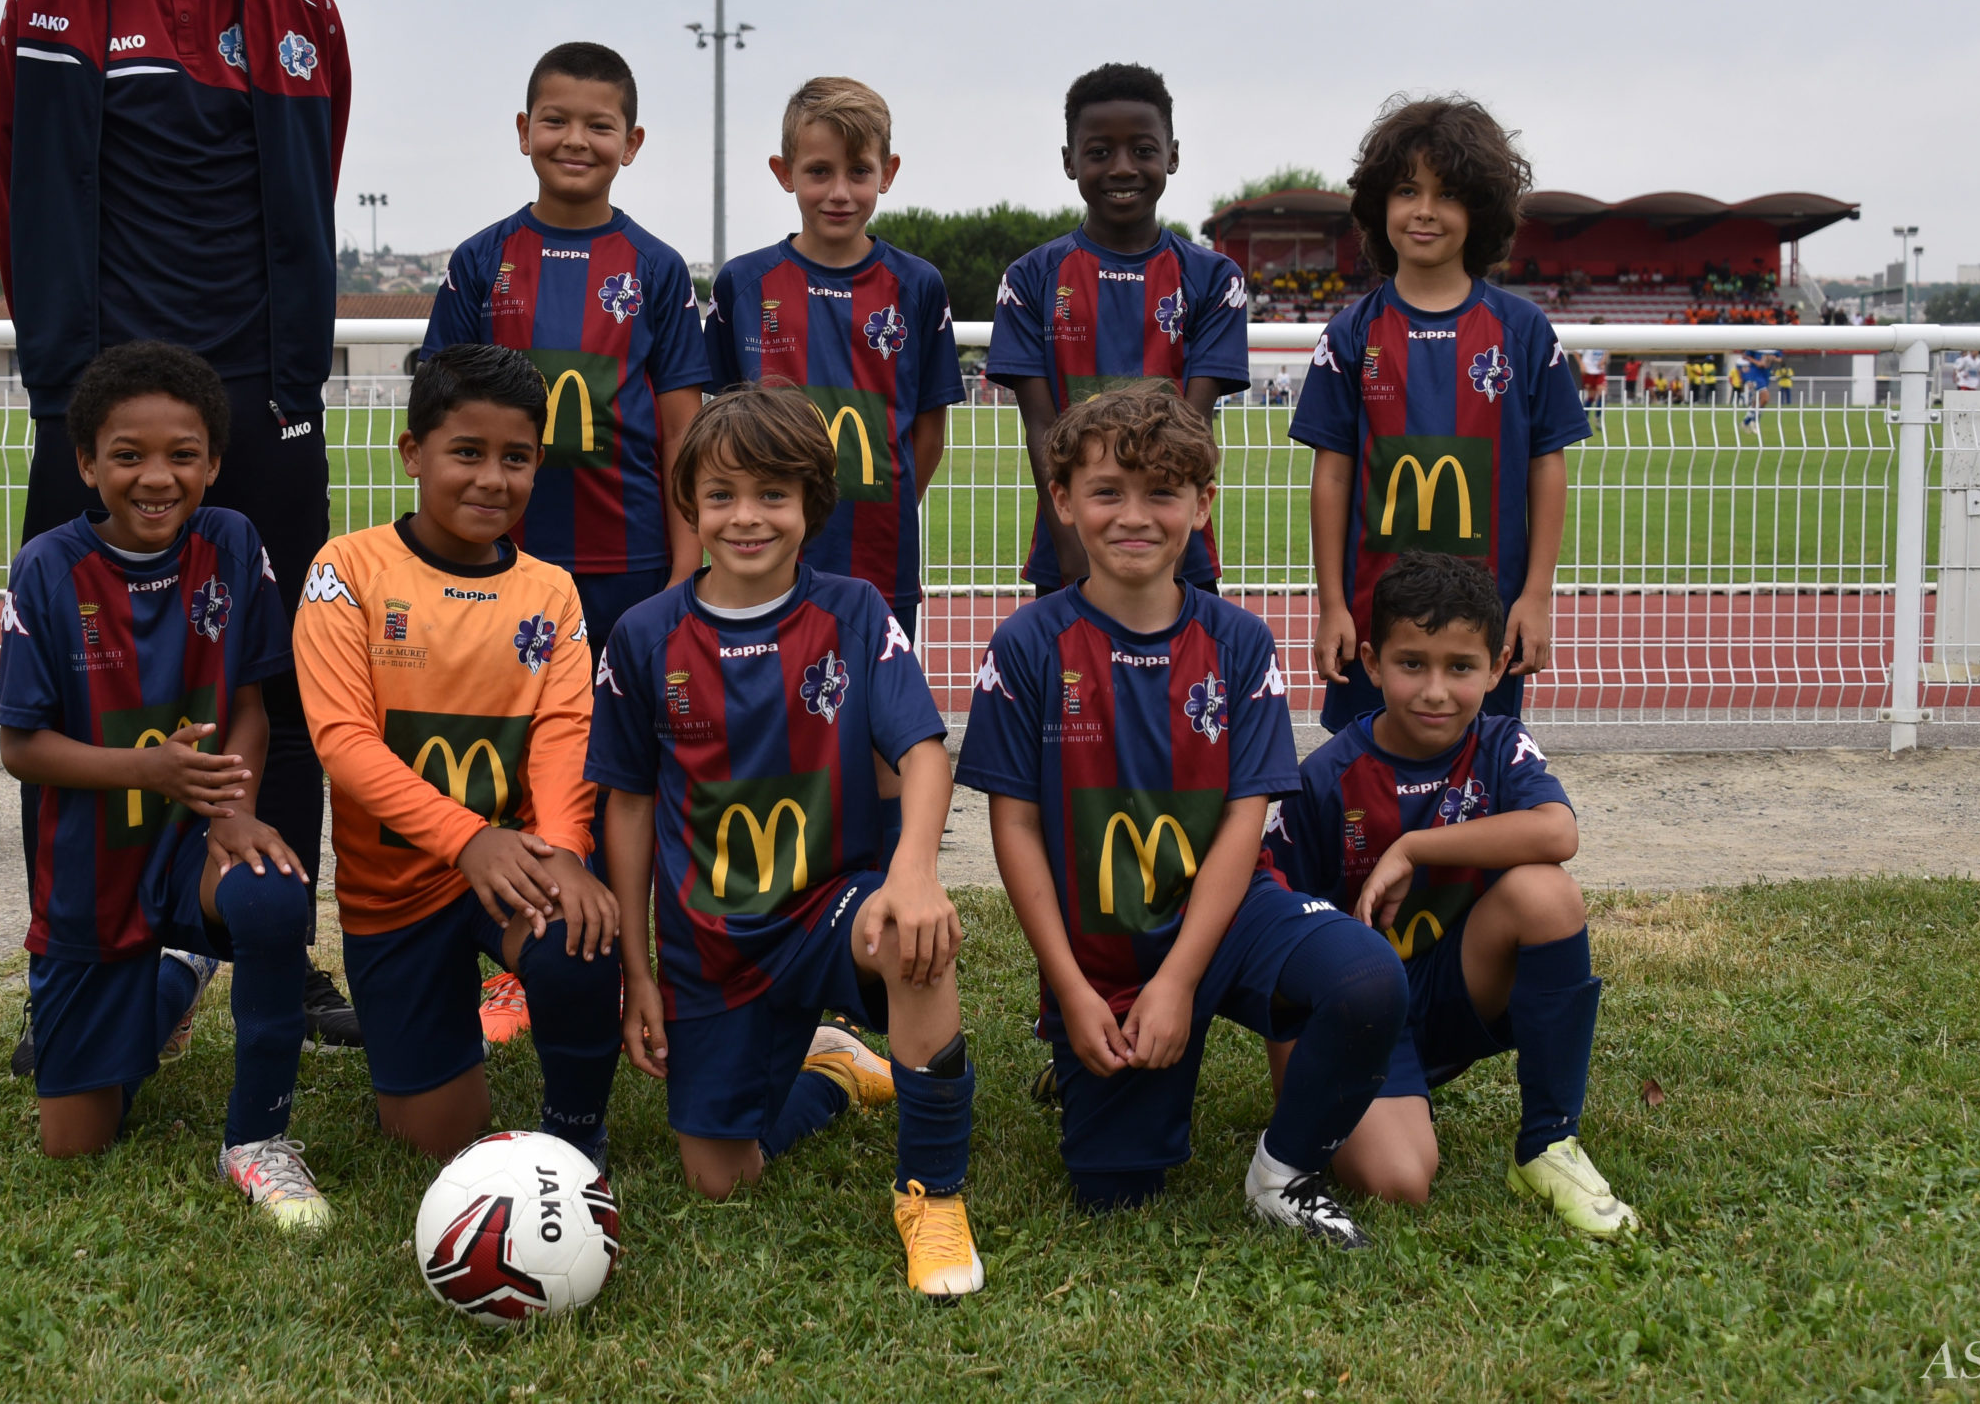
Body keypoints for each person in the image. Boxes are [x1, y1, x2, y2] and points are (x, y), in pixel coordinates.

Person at [0, 0, 359, 1058]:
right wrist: (70, 399)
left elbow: (309, 202)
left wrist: (291, 380)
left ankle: (275, 947)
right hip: (106, 408)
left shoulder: (301, 12)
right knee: (79, 694)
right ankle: (78, 967)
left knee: (291, 685)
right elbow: (30, 195)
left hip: (261, 404)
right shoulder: (54, 0)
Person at [958, 388, 1405, 1238]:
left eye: (1162, 492)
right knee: (1115, 1190)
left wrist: (1177, 981)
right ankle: (1079, 1062)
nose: (1135, 516)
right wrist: (1071, 989)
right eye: (1107, 491)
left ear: (1202, 505)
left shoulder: (1239, 642)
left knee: (1367, 977)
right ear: (1062, 500)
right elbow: (1014, 827)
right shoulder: (1026, 645)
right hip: (1103, 948)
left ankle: (1283, 1170)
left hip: (1228, 917)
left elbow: (1243, 820)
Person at [587, 385, 983, 1297]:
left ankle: (933, 1195)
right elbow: (630, 806)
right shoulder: (645, 636)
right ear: (690, 505)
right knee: (719, 1179)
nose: (747, 516)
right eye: (721, 494)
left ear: (812, 503)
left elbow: (923, 751)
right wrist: (639, 971)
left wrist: (913, 872)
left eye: (773, 493)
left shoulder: (854, 611)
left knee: (913, 934)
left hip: (828, 907)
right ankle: (834, 1071)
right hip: (710, 943)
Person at [0, 342, 328, 1226]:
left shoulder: (232, 542)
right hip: (91, 872)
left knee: (271, 894)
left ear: (213, 463)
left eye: (183, 454)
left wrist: (231, 813)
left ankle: (256, 1140)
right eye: (128, 454)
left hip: (195, 847)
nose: (156, 476)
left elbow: (250, 707)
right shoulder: (47, 567)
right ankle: (177, 976)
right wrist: (148, 769)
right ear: (86, 463)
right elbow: (21, 746)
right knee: (77, 1140)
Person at [291, 345, 624, 1166]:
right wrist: (467, 837)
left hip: (516, 866)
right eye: (467, 452)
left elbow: (564, 734)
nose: (492, 479)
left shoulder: (551, 590)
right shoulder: (347, 571)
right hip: (396, 892)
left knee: (578, 937)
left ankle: (576, 1137)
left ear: (538, 463)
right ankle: (450, 1024)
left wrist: (566, 850)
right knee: (438, 1137)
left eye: (516, 458)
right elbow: (344, 742)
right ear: (413, 452)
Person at [1267, 552, 1638, 1238]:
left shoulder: (1501, 744)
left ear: (1496, 669)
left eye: (1461, 667)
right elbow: (1275, 925)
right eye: (1412, 664)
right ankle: (1375, 1099)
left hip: (1452, 989)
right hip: (1359, 1012)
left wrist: (1414, 847)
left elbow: (1558, 831)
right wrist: (1296, 1071)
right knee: (1401, 1182)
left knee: (1547, 893)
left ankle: (1548, 1143)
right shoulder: (1326, 778)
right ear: (1373, 663)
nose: (1436, 691)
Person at [1293, 95, 1590, 734]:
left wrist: (1536, 596)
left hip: (1488, 614)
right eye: (1407, 190)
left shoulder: (1523, 330)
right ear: (1380, 203)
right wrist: (1332, 605)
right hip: (1374, 612)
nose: (1425, 210)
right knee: (1367, 763)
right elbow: (1333, 475)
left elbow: (1547, 465)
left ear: (1479, 210)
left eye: (1448, 194)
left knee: (1479, 758)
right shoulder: (1350, 334)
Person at [421, 42, 713, 653]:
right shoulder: (479, 260)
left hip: (633, 561)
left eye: (599, 126)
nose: (575, 140)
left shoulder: (658, 268)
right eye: (555, 120)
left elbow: (683, 435)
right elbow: (438, 420)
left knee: (622, 712)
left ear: (631, 143)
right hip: (496, 552)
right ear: (524, 132)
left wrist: (686, 569)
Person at [705, 78, 963, 642]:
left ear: (887, 173)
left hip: (881, 554)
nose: (839, 192)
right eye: (819, 171)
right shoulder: (742, 283)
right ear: (784, 173)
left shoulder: (918, 285)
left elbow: (929, 432)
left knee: (876, 692)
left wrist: (883, 503)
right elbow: (722, 421)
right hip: (762, 552)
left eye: (859, 172)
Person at [985, 63, 1249, 597]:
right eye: (1100, 152)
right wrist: (1071, 548)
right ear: (1069, 161)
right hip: (1069, 548)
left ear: (1172, 156)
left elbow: (1194, 427)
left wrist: (1169, 552)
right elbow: (1041, 426)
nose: (1123, 168)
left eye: (1143, 150)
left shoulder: (1215, 278)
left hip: (1178, 550)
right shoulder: (1029, 279)